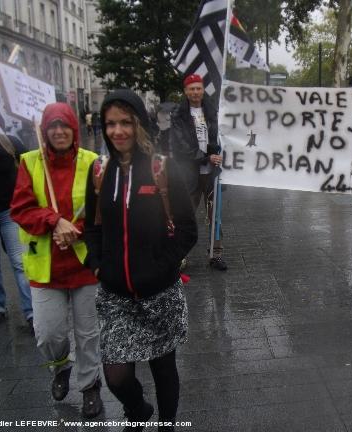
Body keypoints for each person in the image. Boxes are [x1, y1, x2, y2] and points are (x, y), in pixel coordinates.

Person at [85, 89, 197, 432]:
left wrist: (162, 266)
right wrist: (98, 264)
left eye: (126, 122)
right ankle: (137, 409)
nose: (118, 131)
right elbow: (91, 225)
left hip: (159, 292)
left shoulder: (162, 167)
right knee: (116, 375)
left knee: (164, 367)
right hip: (117, 293)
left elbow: (187, 230)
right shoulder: (99, 170)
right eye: (111, 124)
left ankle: (167, 424)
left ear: (140, 124)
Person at [10, 102, 103, 418]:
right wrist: (53, 221)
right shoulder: (29, 162)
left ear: (74, 129)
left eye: (65, 125)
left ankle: (90, 385)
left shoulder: (92, 162)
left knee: (89, 333)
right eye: (53, 126)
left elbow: (103, 209)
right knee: (50, 333)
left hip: (84, 264)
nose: (59, 131)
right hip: (45, 266)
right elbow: (21, 209)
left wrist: (75, 229)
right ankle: (61, 366)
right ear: (44, 130)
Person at [0, 107, 33, 328]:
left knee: (19, 261)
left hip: (10, 212)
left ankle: (31, 311)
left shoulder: (9, 143)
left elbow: (28, 166)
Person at [170, 74, 227, 270]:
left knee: (215, 215)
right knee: (185, 215)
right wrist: (205, 158)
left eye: (198, 88)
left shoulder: (214, 112)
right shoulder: (178, 114)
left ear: (203, 90)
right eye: (191, 89)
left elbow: (222, 138)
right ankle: (179, 255)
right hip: (189, 173)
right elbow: (180, 146)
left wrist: (219, 155)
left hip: (211, 174)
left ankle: (215, 254)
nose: (195, 92)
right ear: (185, 91)